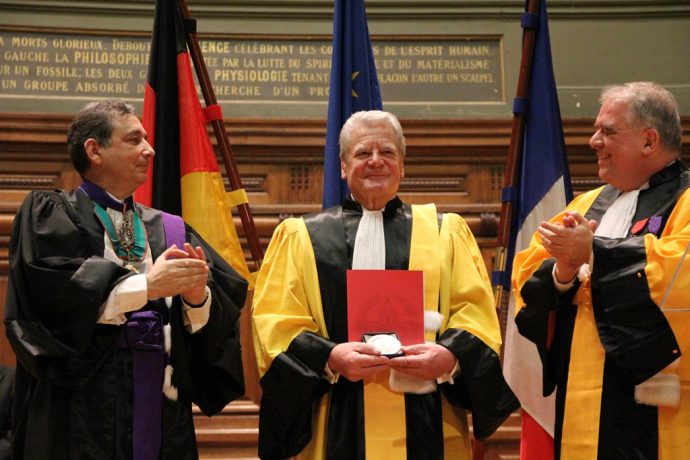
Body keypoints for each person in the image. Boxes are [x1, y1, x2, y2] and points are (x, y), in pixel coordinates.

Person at [252, 110, 519, 460]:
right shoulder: (301, 236)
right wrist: (330, 357)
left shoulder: (445, 233)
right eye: (363, 153)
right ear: (344, 167)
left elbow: (476, 315)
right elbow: (275, 322)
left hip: (428, 419)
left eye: (388, 152)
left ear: (403, 166)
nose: (376, 161)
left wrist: (449, 356)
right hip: (335, 417)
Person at [4, 100, 248, 460]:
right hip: (80, 414)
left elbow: (215, 328)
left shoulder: (171, 229)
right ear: (94, 150)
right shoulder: (52, 216)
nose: (149, 149)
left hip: (161, 411)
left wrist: (197, 299)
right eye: (134, 140)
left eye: (147, 139)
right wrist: (148, 286)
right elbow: (52, 302)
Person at [513, 81, 690, 459]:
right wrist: (562, 272)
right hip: (580, 404)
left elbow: (681, 272)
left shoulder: (687, 200)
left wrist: (594, 255)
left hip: (660, 411)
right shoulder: (587, 203)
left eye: (608, 132)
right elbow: (528, 268)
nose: (593, 141)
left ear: (649, 140)